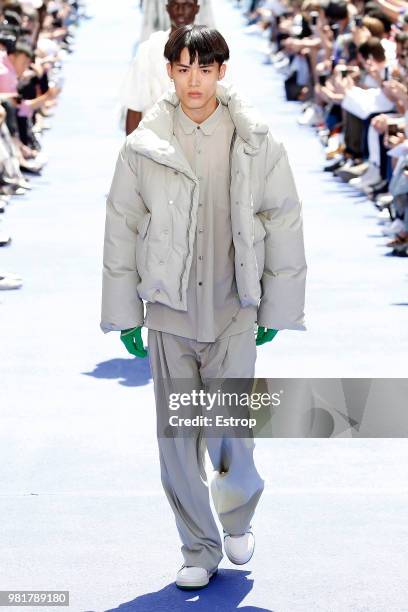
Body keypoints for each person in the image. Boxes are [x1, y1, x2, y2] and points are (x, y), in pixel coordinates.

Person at [101, 25, 307, 590]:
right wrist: (126, 314)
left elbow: (281, 220)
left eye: (205, 69)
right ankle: (198, 544)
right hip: (169, 310)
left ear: (222, 71)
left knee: (228, 429)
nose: (195, 81)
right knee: (176, 438)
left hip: (235, 308)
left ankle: (237, 515)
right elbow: (122, 227)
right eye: (184, 68)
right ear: (170, 71)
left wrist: (274, 308)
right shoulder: (144, 144)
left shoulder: (256, 139)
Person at [122, 0, 200, 135]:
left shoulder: (211, 50)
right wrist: (131, 152)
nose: (180, 11)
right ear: (167, 8)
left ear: (196, 8)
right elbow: (135, 106)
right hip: (154, 144)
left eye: (186, 5)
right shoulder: (148, 50)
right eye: (175, 5)